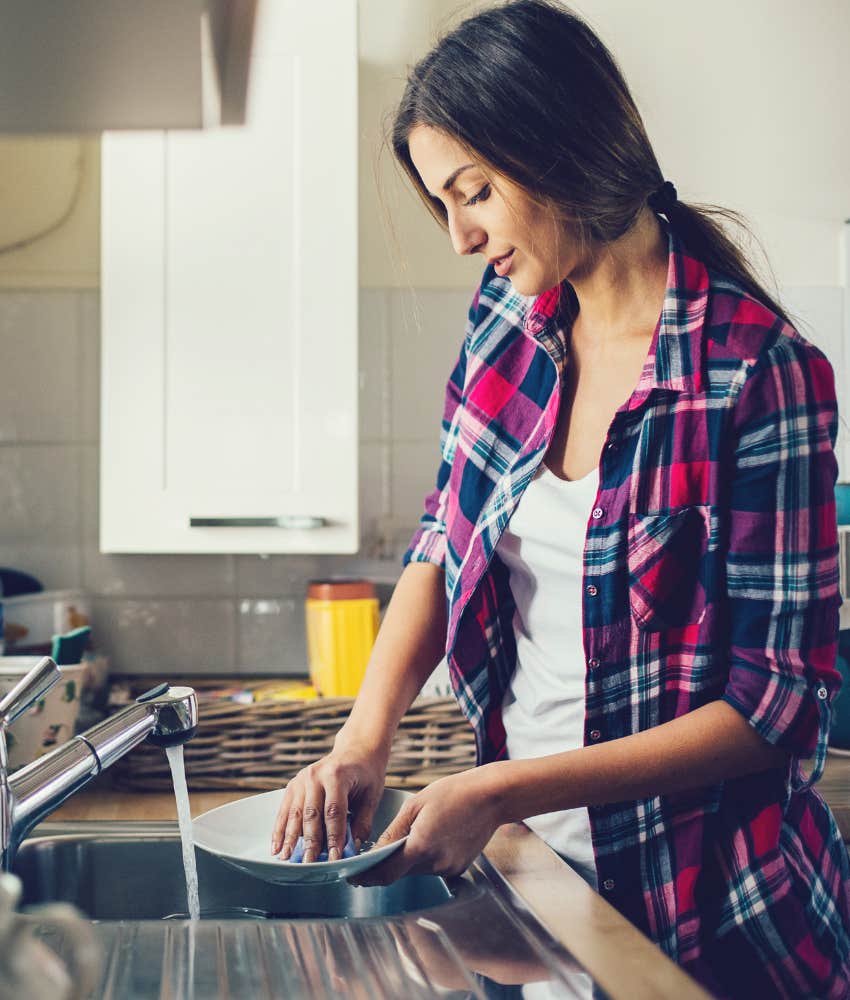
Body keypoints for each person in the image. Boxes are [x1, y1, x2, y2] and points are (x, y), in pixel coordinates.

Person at [271, 2, 850, 995]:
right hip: (533, 891)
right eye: (440, 203)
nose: (458, 237)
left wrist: (499, 789)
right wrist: (359, 744)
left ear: (557, 149)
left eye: (474, 193)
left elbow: (776, 706)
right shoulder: (506, 322)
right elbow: (439, 544)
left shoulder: (758, 374)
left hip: (715, 920)